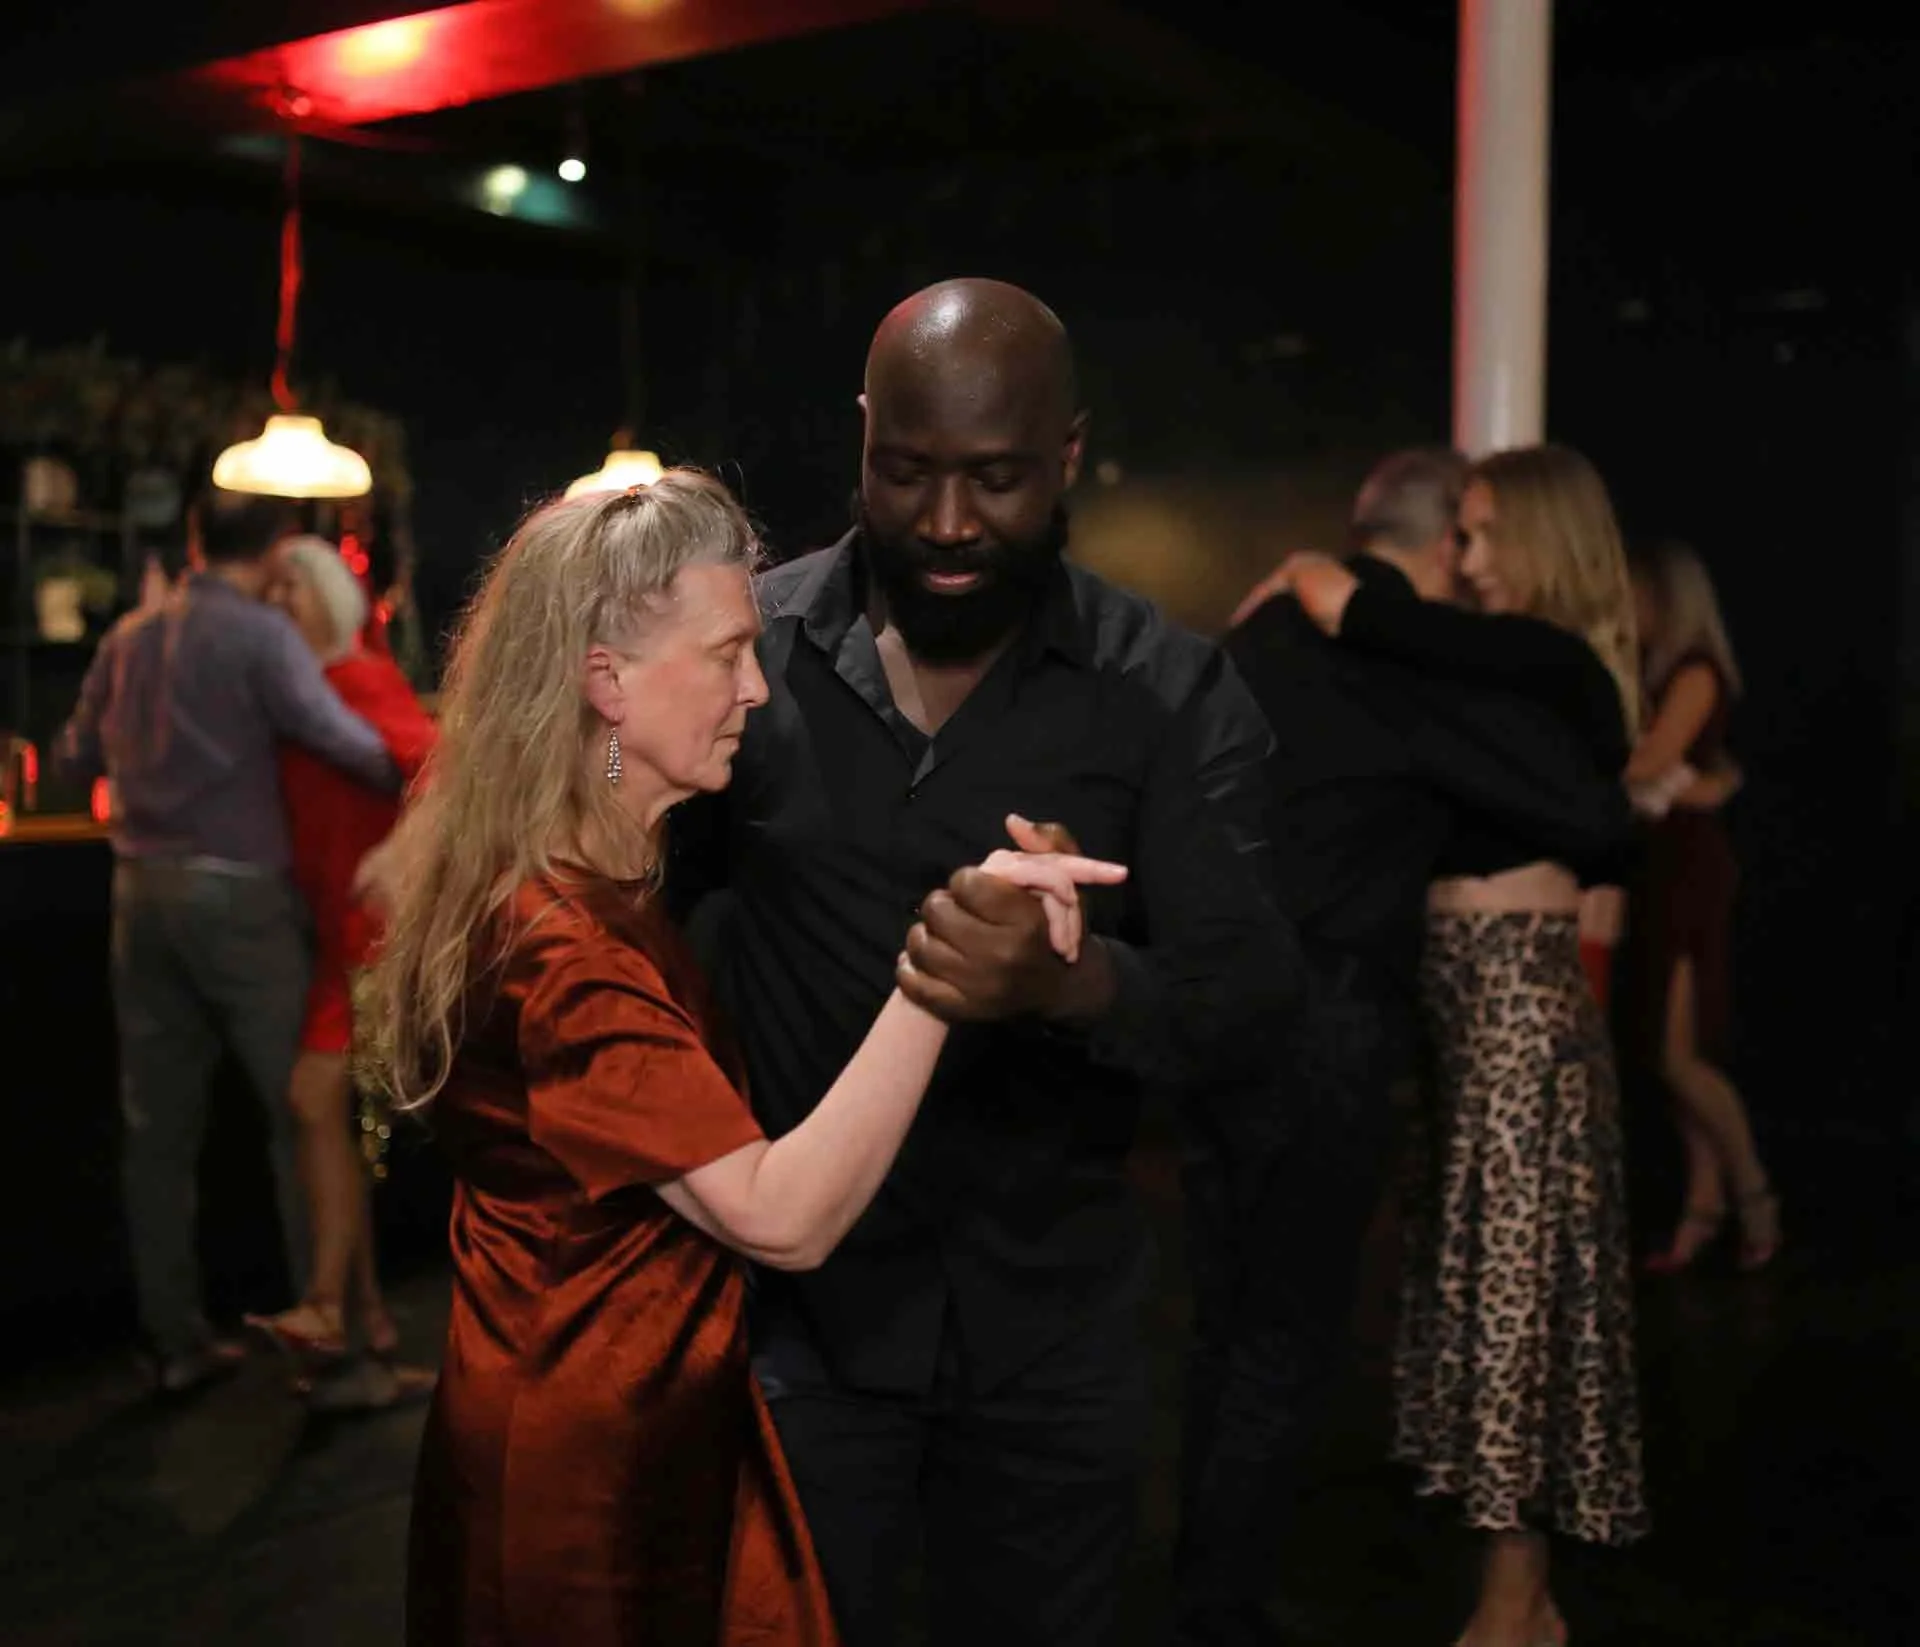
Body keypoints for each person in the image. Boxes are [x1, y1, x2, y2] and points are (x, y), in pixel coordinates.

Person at [369, 473, 1124, 1646]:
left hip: (629, 1414)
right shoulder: (565, 952)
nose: (757, 689)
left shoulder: (603, 876)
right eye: (726, 654)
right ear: (606, 680)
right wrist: (942, 974)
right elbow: (783, 1216)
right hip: (587, 1472)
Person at [670, 278, 1296, 1647]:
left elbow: (1252, 1009)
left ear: (1068, 454)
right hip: (796, 1331)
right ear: (862, 439)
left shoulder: (1170, 691)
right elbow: (629, 915)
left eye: (999, 479)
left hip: (1050, 1334)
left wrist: (1074, 984)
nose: (949, 522)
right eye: (909, 471)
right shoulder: (744, 655)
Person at [1186, 449, 1631, 1645]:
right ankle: (1231, 1610)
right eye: (1466, 539)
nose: (1473, 567)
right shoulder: (1403, 666)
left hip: (1252, 1010)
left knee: (1286, 1319)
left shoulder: (1277, 640)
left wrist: (1325, 588)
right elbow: (1591, 817)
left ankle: (1501, 1604)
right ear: (1439, 544)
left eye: (1495, 538)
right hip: (1344, 1016)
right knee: (1313, 1330)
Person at [53, 492, 398, 1394]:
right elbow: (344, 739)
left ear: (196, 541)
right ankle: (339, 1360)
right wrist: (405, 766)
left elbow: (72, 758)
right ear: (280, 547)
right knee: (303, 1115)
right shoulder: (258, 636)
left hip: (137, 891)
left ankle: (175, 1343)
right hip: (241, 897)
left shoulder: (128, 635)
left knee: (157, 1132)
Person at [244, 536, 439, 1407]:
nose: (280, 597)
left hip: (372, 938)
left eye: (296, 584)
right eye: (273, 584)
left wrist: (397, 850)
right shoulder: (306, 689)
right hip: (333, 938)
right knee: (338, 1118)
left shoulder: (355, 679)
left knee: (319, 1099)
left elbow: (444, 768)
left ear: (331, 596)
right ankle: (363, 1322)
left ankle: (333, 1307)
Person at [1623, 538, 1779, 1272]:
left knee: (1678, 1052)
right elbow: (1665, 774)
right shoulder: (1658, 674)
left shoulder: (1694, 670)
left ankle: (1753, 1194)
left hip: (1686, 868)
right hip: (1658, 863)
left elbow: (1650, 764)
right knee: (1670, 1053)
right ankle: (1703, 1208)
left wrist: (1666, 775)